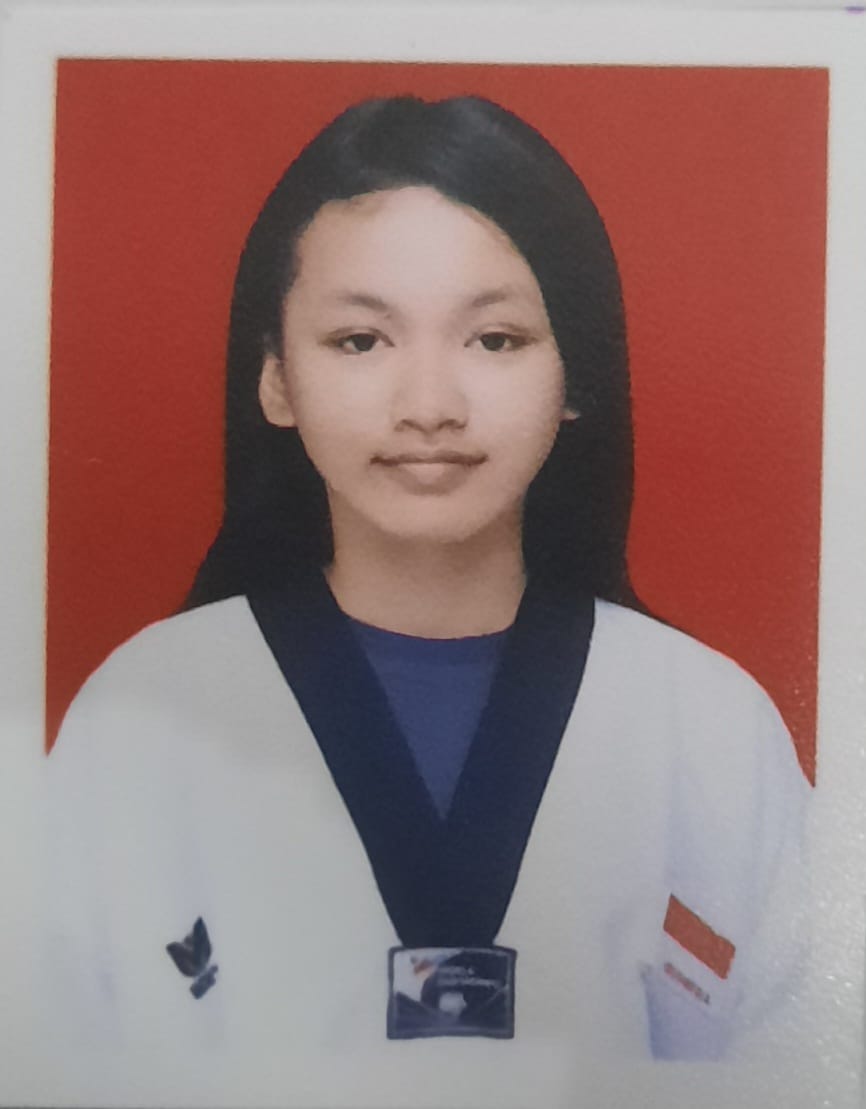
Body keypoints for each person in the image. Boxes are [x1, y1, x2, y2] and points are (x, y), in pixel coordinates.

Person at [43, 95, 808, 1106]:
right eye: (361, 340)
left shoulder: (706, 723)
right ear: (275, 378)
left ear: (575, 376)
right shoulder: (145, 713)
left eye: (494, 339)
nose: (429, 406)